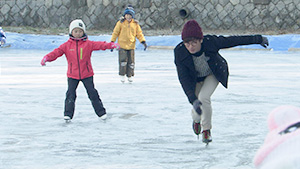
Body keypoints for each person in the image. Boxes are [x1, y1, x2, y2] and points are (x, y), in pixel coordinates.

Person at [174, 19, 269, 144]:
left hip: (212, 74)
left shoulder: (211, 42)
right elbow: (183, 78)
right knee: (197, 106)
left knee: (204, 97)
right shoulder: (180, 52)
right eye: (187, 44)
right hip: (194, 80)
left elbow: (233, 41)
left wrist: (258, 39)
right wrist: (192, 98)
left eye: (194, 43)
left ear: (201, 40)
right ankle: (196, 120)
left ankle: (206, 131)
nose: (190, 47)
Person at [40, 19, 120, 122]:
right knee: (70, 94)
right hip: (72, 75)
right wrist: (47, 58)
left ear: (83, 32)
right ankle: (68, 114)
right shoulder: (66, 45)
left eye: (80, 31)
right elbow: (56, 52)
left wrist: (111, 45)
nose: (78, 34)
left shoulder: (88, 44)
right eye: (76, 31)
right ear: (71, 32)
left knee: (92, 93)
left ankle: (101, 113)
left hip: (87, 74)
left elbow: (100, 45)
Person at [110, 5, 147, 83]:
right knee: (123, 61)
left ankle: (130, 75)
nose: (128, 17)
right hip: (122, 45)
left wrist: (143, 41)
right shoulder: (120, 23)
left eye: (130, 15)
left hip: (131, 46)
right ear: (124, 15)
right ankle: (122, 75)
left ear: (132, 16)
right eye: (127, 15)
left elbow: (139, 34)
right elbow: (115, 33)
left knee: (131, 62)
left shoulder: (135, 24)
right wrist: (112, 42)